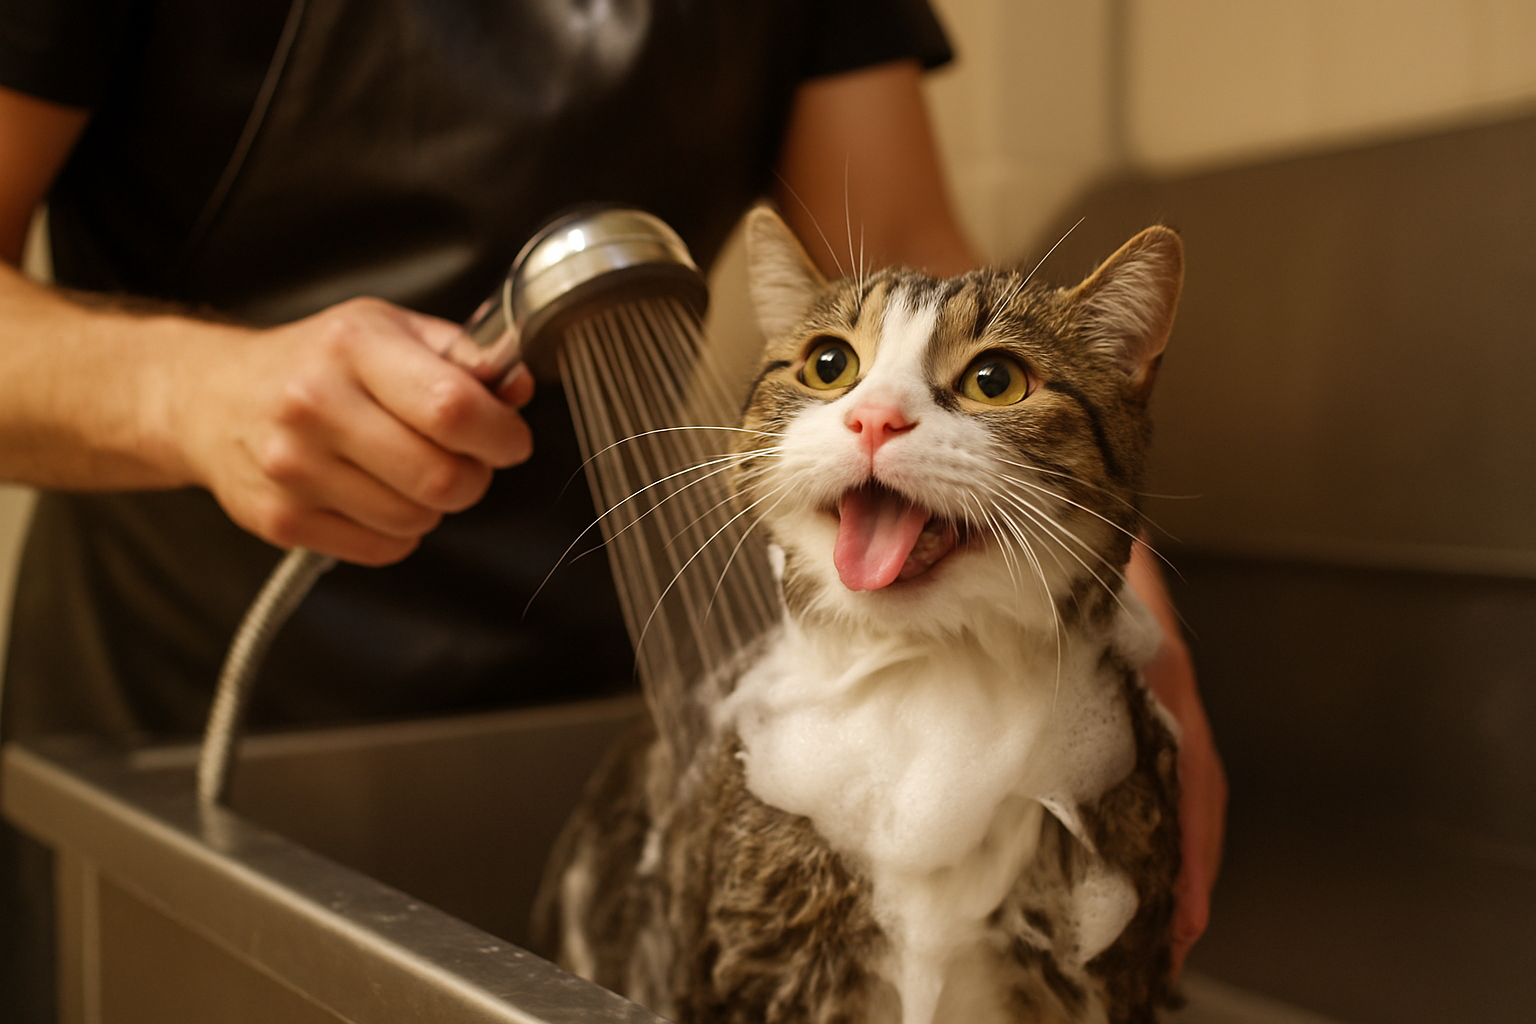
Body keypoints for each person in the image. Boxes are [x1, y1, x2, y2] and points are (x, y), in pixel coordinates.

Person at [0, 1, 1223, 1018]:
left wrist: (1126, 652)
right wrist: (191, 392)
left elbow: (906, 260)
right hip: (190, 720)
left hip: (633, 691)